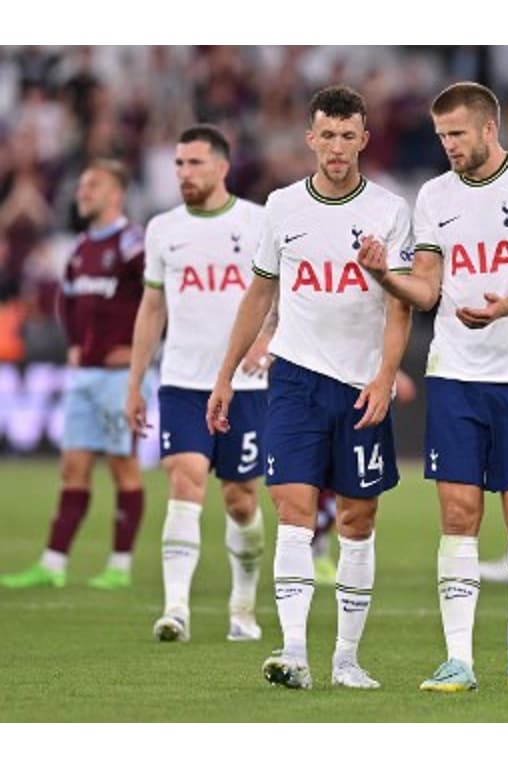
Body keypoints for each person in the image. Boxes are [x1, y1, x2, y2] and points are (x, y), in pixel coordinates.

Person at [358, 81, 508, 693]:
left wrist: (505, 308)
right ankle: (459, 659)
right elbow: (427, 288)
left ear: (488, 129)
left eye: (457, 134)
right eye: (441, 135)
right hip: (455, 372)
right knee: (458, 514)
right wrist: (387, 277)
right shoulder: (434, 196)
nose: (448, 145)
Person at [207, 85, 413, 691]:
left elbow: (401, 305)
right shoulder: (281, 207)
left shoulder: (390, 210)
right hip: (293, 376)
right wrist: (225, 374)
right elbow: (260, 292)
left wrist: (384, 375)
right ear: (311, 138)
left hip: (359, 383)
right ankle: (294, 649)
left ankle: (346, 658)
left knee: (357, 518)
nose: (337, 148)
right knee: (293, 512)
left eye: (349, 137)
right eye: (327, 135)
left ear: (364, 141)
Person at [125, 124, 270, 644]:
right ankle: (176, 610)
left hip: (246, 387)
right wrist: (136, 381)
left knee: (240, 499)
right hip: (184, 381)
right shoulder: (162, 228)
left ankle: (242, 608)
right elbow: (152, 306)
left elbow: (281, 294)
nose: (184, 173)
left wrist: (267, 341)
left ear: (222, 167)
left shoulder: (258, 223)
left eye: (194, 164)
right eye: (179, 165)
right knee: (185, 482)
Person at [1, 160, 146, 590]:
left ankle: (119, 567)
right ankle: (53, 564)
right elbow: (68, 302)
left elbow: (158, 300)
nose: (83, 192)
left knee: (123, 467)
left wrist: (139, 353)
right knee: (73, 467)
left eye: (93, 185)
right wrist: (73, 345)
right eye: (82, 184)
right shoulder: (82, 246)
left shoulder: (131, 244)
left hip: (119, 377)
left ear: (116, 194)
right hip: (84, 375)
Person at [312, 370, 417, 586]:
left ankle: (318, 550)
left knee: (349, 492)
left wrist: (393, 372)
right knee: (311, 480)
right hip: (315, 386)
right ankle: (310, 551)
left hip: (357, 392)